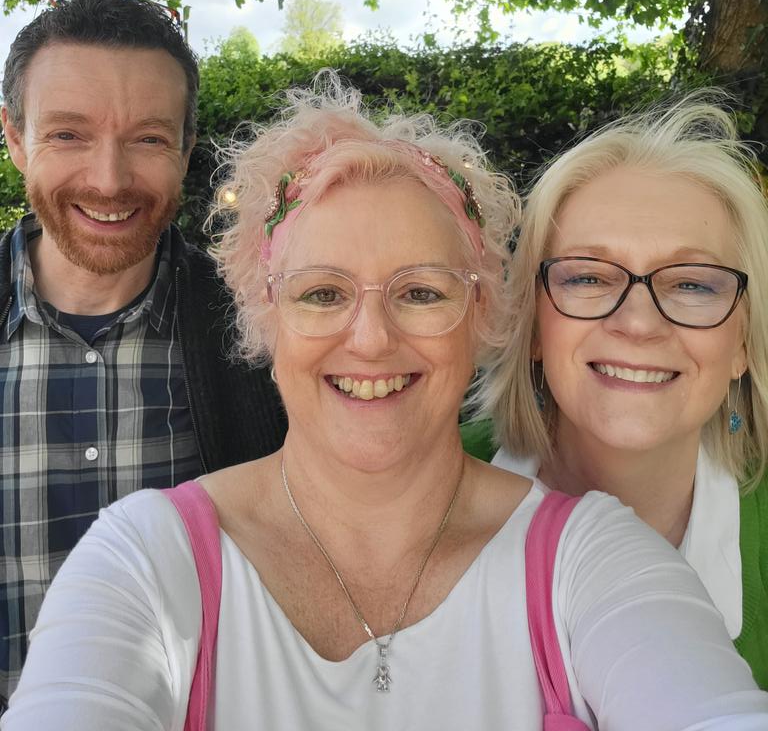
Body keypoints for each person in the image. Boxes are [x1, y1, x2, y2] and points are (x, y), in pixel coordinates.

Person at [4, 76, 767, 731]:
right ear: (264, 320)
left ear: (487, 318)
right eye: (323, 293)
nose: (369, 339)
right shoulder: (145, 558)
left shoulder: (592, 555)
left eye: (423, 292)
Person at [0, 0, 286, 708]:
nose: (108, 179)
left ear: (187, 150)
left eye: (150, 139)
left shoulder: (263, 338)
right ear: (12, 138)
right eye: (67, 134)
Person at [462, 92, 768, 688]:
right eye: (586, 277)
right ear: (532, 326)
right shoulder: (417, 487)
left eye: (693, 285)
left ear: (742, 345)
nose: (638, 323)